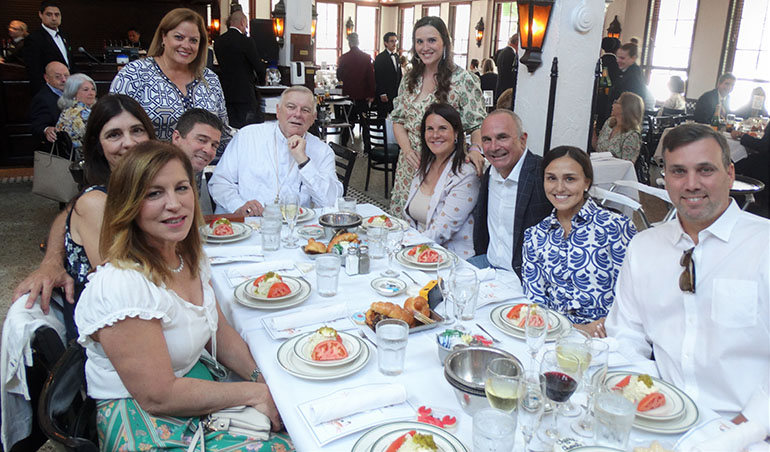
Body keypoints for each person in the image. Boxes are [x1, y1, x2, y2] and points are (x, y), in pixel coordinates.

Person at [74, 142, 293, 451]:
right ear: (128, 204)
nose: (174, 204)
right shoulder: (123, 284)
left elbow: (218, 330)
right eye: (154, 193)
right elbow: (158, 396)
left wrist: (261, 380)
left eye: (181, 188)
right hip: (143, 415)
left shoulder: (186, 256)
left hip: (189, 387)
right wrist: (255, 394)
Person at [606, 124, 769, 433]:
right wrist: (645, 397)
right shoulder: (644, 247)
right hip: (658, 420)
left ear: (730, 173)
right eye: (678, 172)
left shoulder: (764, 246)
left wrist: (743, 429)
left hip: (749, 431)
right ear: (664, 178)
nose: (691, 184)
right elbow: (626, 335)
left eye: (705, 170)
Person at [522, 146, 636, 337]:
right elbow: (535, 302)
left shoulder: (614, 227)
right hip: (554, 337)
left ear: (586, 182)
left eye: (570, 179)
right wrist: (570, 331)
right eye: (551, 178)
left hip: (608, 337)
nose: (559, 188)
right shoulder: (535, 235)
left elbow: (634, 296)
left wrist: (605, 326)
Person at [389, 16, 486, 217]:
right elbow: (398, 120)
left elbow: (477, 124)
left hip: (445, 166)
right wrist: (407, 151)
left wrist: (476, 150)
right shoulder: (410, 79)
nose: (425, 47)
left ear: (445, 42)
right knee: (405, 226)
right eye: (419, 41)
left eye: (432, 40)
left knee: (436, 227)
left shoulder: (462, 80)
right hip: (410, 166)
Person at [209, 85, 342, 216]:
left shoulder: (322, 151)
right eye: (291, 107)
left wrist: (304, 161)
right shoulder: (248, 136)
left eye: (305, 110)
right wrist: (238, 206)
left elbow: (330, 201)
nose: (297, 114)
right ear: (278, 111)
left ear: (313, 118)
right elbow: (220, 182)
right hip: (249, 224)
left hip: (296, 228)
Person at [110, 8, 229, 145]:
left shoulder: (209, 79)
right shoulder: (134, 74)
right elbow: (113, 130)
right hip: (149, 163)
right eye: (179, 37)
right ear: (163, 37)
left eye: (193, 40)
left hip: (203, 165)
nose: (186, 45)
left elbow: (224, 133)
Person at [470, 109, 552, 277]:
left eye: (502, 137)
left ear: (523, 140)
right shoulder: (489, 174)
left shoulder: (544, 175)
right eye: (487, 140)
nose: (493, 147)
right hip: (488, 264)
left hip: (526, 277)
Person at [403, 103, 480, 259]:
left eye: (442, 128)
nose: (435, 135)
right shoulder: (425, 165)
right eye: (429, 129)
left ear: (456, 133)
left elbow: (442, 230)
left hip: (449, 259)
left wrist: (405, 247)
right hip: (419, 253)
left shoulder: (465, 173)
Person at [214, 10, 265, 128]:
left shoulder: (219, 41)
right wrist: (261, 82)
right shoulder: (247, 42)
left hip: (226, 92)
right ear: (242, 23)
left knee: (230, 127)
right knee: (247, 129)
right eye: (246, 25)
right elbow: (258, 67)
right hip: (245, 93)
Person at [24, 1, 72, 93]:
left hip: (67, 87)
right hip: (48, 89)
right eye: (49, 14)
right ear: (40, 15)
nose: (54, 18)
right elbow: (34, 71)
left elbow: (69, 62)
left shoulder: (64, 35)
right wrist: (43, 93)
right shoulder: (34, 38)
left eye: (57, 15)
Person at [336, 32, 374, 146]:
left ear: (349, 43)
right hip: (362, 96)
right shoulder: (366, 57)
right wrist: (371, 94)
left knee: (347, 121)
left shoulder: (343, 58)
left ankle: (344, 143)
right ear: (358, 42)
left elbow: (339, 76)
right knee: (365, 122)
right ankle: (367, 146)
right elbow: (371, 78)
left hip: (348, 95)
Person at [594, 92, 643, 163]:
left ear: (625, 108)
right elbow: (598, 148)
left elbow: (627, 165)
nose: (612, 105)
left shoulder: (632, 135)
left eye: (616, 102)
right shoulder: (609, 123)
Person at [56, 73, 97, 156]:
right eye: (86, 90)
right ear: (74, 92)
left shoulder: (67, 111)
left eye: (93, 89)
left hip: (71, 158)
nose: (91, 93)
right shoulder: (82, 113)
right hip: (86, 159)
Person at [29, 60, 69, 144]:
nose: (64, 80)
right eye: (58, 76)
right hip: (59, 147)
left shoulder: (74, 91)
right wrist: (47, 129)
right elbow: (36, 126)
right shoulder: (42, 98)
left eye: (66, 76)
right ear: (46, 78)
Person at [608, 43, 654, 111]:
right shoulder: (624, 71)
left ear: (633, 58)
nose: (618, 60)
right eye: (617, 57)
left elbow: (633, 99)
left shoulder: (634, 75)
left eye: (622, 58)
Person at [373, 32, 402, 117]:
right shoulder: (380, 58)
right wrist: (382, 93)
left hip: (395, 93)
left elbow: (398, 75)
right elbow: (378, 77)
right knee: (382, 116)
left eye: (396, 41)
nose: (394, 44)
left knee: (395, 116)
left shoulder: (396, 57)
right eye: (392, 41)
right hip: (385, 93)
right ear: (385, 43)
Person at [596, 37, 621, 129]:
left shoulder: (599, 61)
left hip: (597, 98)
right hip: (610, 100)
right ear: (617, 49)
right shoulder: (617, 64)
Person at [495, 34, 518, 103]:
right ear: (517, 43)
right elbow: (511, 75)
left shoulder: (501, 52)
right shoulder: (511, 55)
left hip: (500, 89)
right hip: (506, 92)